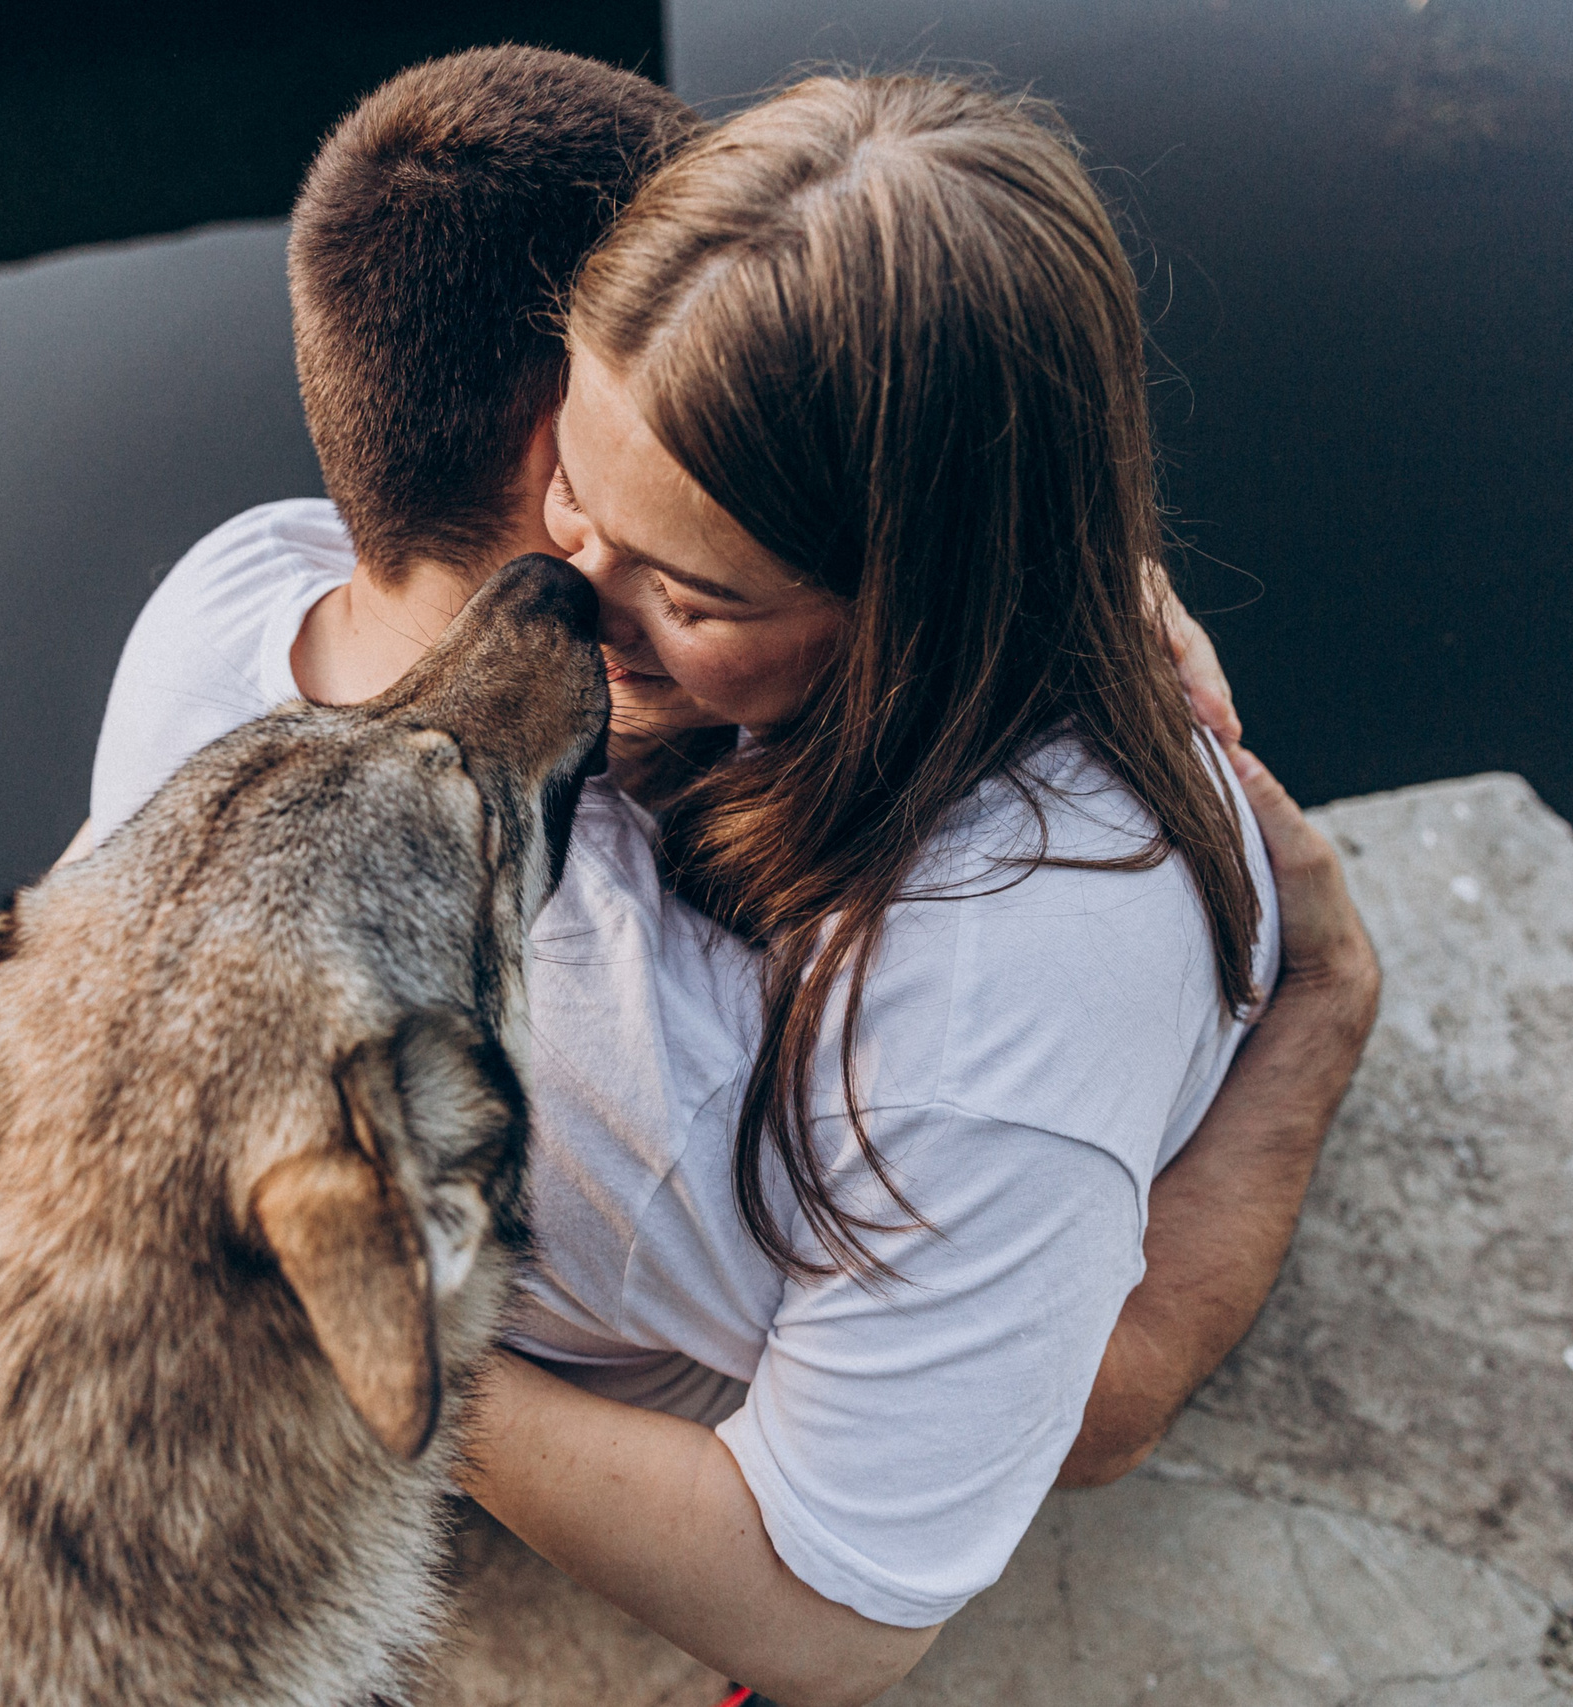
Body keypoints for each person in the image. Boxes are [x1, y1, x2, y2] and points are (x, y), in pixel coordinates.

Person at [70, 50, 1380, 1707]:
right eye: (581, 500)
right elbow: (843, 1586)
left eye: (688, 583)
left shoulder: (229, 587)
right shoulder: (722, 1019)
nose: (583, 610)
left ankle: (1320, 999)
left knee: (1060, 1367)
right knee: (1080, 1402)